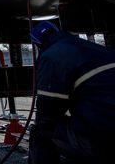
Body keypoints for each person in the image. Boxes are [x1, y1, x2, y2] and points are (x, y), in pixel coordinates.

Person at [28, 21, 115, 163]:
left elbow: (47, 111)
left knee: (41, 134)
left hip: (104, 137)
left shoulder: (52, 56)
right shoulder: (97, 49)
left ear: (37, 44)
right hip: (106, 124)